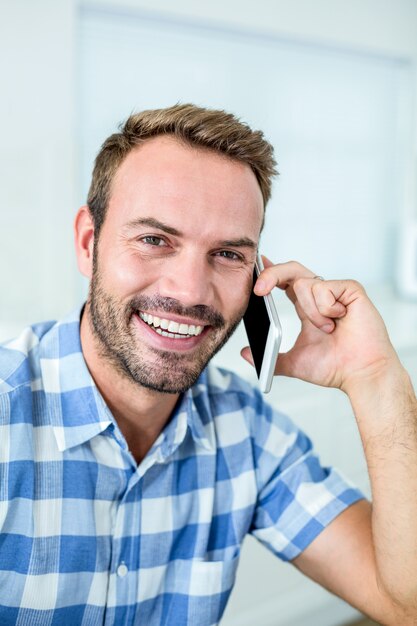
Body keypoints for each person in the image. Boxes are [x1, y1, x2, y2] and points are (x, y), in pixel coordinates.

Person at [0, 103, 416, 626]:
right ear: (89, 244)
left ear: (259, 276)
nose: (190, 290)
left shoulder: (245, 429)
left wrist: (377, 378)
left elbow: (406, 601)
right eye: (155, 240)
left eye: (228, 254)